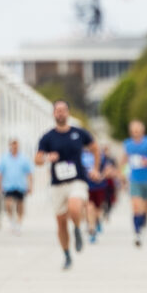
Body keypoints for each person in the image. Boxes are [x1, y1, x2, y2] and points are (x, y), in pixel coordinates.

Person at [35, 101, 101, 270]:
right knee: (61, 223)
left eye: (64, 110)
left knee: (74, 206)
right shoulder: (48, 137)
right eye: (58, 111)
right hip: (58, 184)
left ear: (68, 113)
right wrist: (46, 158)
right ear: (54, 114)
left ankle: (78, 229)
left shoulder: (79, 133)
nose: (61, 113)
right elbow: (37, 159)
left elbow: (95, 148)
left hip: (77, 180)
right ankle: (66, 255)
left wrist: (95, 168)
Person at [122, 120, 147, 247]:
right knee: (136, 206)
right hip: (135, 179)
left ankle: (145, 218)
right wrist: (121, 174)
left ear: (142, 130)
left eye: (138, 129)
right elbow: (124, 160)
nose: (136, 132)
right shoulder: (128, 144)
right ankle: (137, 232)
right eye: (133, 130)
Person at [0, 138, 33, 234]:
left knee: (20, 206)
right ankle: (12, 221)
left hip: (20, 185)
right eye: (12, 144)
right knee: (8, 204)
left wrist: (30, 186)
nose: (14, 147)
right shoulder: (4, 158)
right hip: (8, 185)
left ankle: (19, 223)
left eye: (16, 144)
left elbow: (29, 173)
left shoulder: (24, 158)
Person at [82, 144, 118, 243]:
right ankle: (91, 229)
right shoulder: (81, 155)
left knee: (98, 208)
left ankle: (97, 222)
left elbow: (108, 169)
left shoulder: (101, 156)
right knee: (89, 207)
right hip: (86, 186)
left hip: (100, 186)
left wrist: (101, 176)